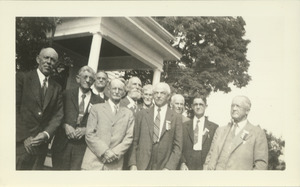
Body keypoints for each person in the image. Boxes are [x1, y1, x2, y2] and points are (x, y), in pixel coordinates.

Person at [16, 47, 63, 170]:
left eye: (53, 60)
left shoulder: (57, 88)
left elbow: (58, 115)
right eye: (46, 57)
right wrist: (25, 137)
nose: (49, 62)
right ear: (38, 59)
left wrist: (46, 134)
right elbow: (12, 109)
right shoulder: (22, 78)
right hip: (20, 145)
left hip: (41, 148)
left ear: (56, 64)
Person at [51, 66, 104, 170]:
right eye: (85, 77)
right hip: (62, 144)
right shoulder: (66, 94)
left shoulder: (99, 101)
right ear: (78, 78)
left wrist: (86, 130)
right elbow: (56, 115)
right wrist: (65, 125)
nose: (88, 80)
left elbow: (100, 124)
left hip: (82, 148)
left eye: (91, 79)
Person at [81, 79, 134, 170]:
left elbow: (128, 138)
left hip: (114, 165)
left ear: (124, 93)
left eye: (120, 89)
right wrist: (105, 151)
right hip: (93, 162)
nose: (117, 92)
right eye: (114, 88)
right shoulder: (96, 109)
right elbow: (89, 134)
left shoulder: (128, 114)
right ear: (109, 90)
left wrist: (114, 153)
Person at [204, 95, 268, 170]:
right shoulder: (220, 131)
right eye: (232, 106)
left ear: (247, 111)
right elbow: (209, 157)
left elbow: (261, 165)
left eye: (238, 106)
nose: (234, 109)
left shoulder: (257, 133)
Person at [128, 82, 183, 170]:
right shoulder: (141, 114)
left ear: (168, 96)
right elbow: (134, 141)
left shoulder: (176, 117)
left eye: (162, 93)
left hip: (164, 166)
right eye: (156, 93)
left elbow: (178, 147)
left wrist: (169, 167)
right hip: (142, 165)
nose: (158, 96)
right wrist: (133, 163)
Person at [180, 95, 218, 170]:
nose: (198, 107)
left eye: (201, 104)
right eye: (195, 104)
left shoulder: (214, 127)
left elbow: (215, 149)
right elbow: (179, 146)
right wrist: (182, 163)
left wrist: (209, 164)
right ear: (192, 106)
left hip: (205, 165)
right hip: (187, 166)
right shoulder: (184, 126)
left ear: (206, 106)